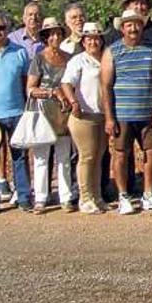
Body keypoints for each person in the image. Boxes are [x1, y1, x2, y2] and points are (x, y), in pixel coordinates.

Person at [101, 9, 152, 214]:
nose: (133, 28)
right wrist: (109, 117)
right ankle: (123, 196)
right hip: (122, 114)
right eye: (129, 24)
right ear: (122, 28)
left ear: (142, 26)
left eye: (137, 24)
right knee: (121, 154)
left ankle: (148, 194)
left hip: (148, 113)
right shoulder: (112, 51)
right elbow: (105, 86)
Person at [27, 17, 75, 213]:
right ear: (46, 37)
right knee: (41, 157)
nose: (55, 37)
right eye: (51, 34)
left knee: (64, 157)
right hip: (42, 111)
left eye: (58, 33)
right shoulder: (38, 58)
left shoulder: (69, 58)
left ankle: (66, 197)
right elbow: (30, 88)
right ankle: (40, 197)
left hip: (63, 112)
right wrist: (51, 92)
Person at [61, 22, 109, 214]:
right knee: (87, 156)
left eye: (96, 38)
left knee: (98, 156)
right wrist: (73, 101)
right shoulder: (78, 61)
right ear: (83, 41)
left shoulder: (106, 59)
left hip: (102, 114)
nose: (93, 42)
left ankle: (96, 195)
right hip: (83, 115)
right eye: (89, 38)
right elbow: (66, 83)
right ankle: (85, 197)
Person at [0, 12, 33, 212]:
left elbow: (25, 83)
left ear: (7, 29)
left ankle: (24, 196)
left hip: (17, 112)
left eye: (1, 28)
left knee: (20, 157)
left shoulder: (19, 52)